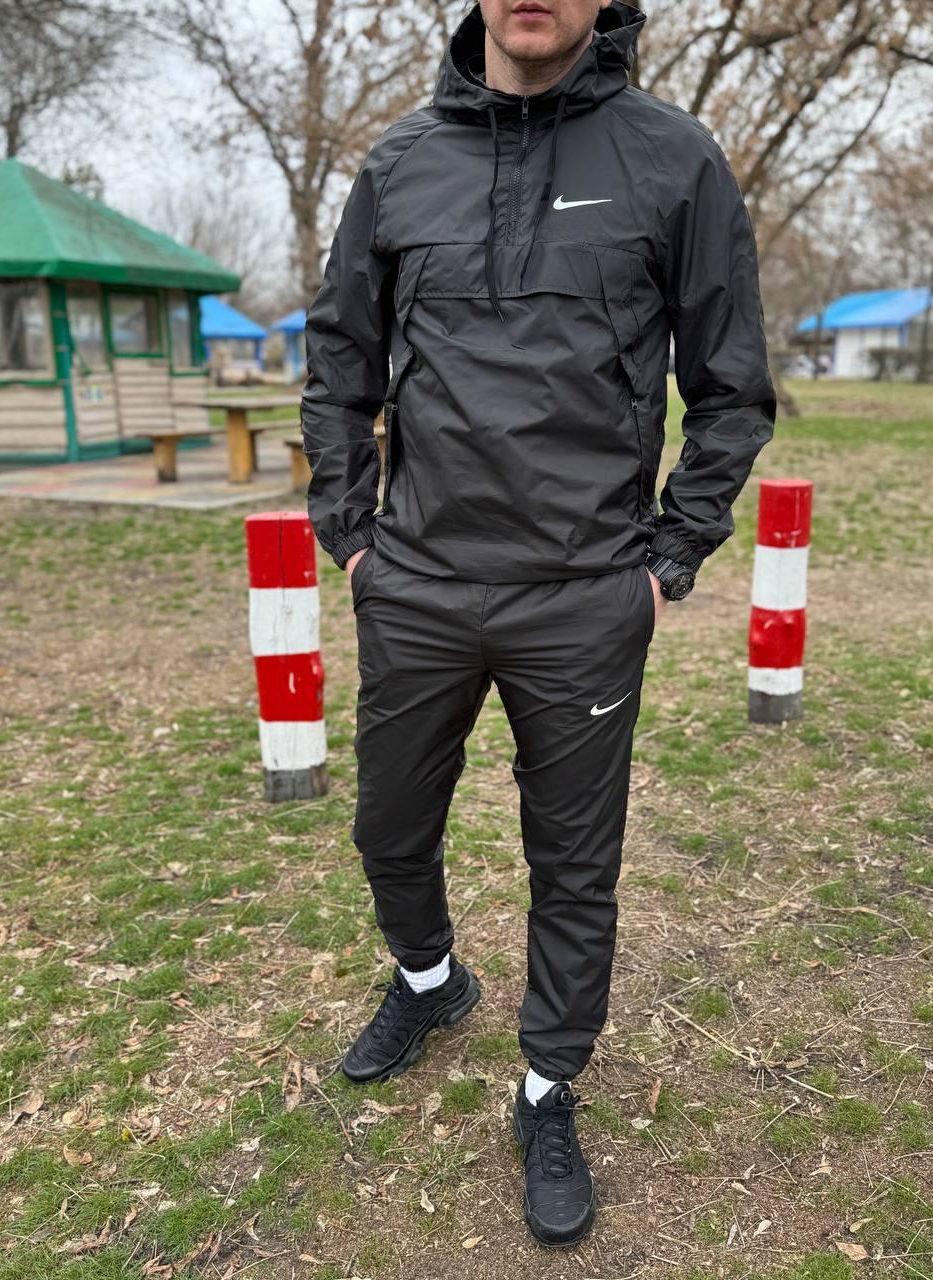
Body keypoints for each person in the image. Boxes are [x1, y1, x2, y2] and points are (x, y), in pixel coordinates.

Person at [300, 0, 776, 1248]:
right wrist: (353, 536)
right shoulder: (402, 162)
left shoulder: (673, 160)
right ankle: (428, 979)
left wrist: (667, 558)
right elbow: (339, 357)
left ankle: (547, 1083)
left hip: (583, 593)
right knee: (387, 824)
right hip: (417, 579)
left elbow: (731, 387)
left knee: (574, 861)